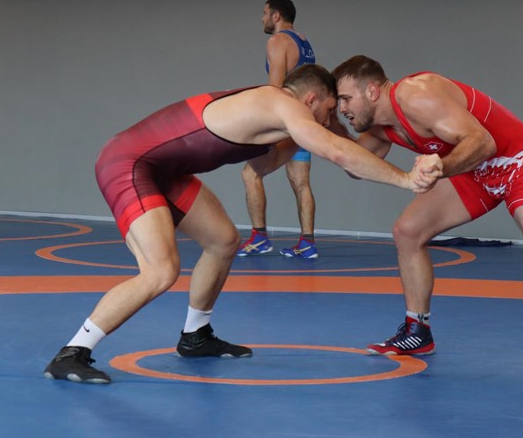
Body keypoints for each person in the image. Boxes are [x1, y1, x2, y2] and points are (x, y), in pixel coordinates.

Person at [43, 64, 442, 384]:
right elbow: (338, 153)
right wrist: (405, 179)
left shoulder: (274, 117)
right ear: (311, 98)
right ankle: (72, 352)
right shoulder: (279, 103)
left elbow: (262, 165)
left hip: (165, 170)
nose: (331, 119)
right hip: (129, 163)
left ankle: (195, 336)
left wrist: (312, 137)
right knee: (161, 271)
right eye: (328, 111)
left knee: (222, 240)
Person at [331, 55, 523, 367]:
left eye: (346, 99)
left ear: (372, 91)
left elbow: (483, 142)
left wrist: (440, 167)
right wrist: (325, 128)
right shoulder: (383, 127)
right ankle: (418, 331)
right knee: (407, 231)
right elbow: (356, 165)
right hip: (475, 173)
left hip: (517, 162)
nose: (343, 109)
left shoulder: (416, 95)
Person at [238, 0, 322, 259]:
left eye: (265, 13)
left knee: (250, 174)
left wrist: (263, 126)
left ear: (276, 16)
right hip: (305, 119)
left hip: (285, 121)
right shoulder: (304, 41)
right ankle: (308, 243)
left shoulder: (277, 41)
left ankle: (260, 237)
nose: (262, 18)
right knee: (301, 182)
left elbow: (274, 90)